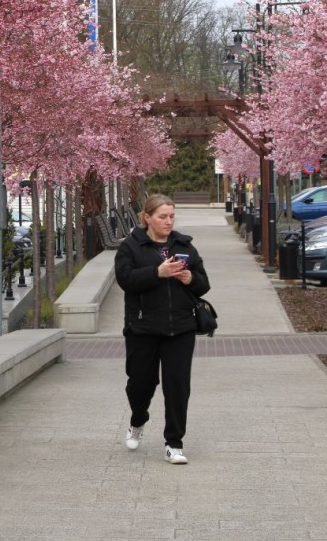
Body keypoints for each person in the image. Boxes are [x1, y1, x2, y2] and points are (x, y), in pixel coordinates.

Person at [114, 194, 210, 464]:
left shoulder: (184, 245)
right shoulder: (131, 247)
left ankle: (174, 443)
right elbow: (126, 280)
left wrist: (191, 278)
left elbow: (203, 284)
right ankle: (138, 419)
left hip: (180, 327)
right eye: (162, 216)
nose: (168, 221)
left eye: (171, 216)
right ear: (147, 218)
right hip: (142, 328)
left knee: (178, 385)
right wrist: (157, 273)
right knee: (140, 384)